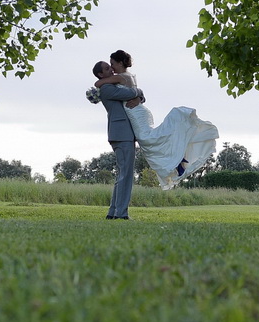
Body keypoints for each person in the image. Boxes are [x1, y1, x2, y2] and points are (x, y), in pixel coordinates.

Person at [93, 50, 219, 191]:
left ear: (120, 63)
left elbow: (98, 83)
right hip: (139, 110)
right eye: (108, 67)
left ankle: (177, 160)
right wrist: (139, 95)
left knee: (148, 140)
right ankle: (177, 161)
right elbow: (132, 90)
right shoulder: (129, 76)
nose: (111, 68)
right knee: (151, 140)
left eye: (112, 64)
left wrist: (99, 85)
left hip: (135, 112)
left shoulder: (120, 77)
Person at [91, 58, 145, 220]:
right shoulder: (107, 88)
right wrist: (139, 92)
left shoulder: (112, 85)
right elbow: (130, 93)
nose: (111, 70)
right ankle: (121, 213)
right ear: (100, 74)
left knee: (122, 174)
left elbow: (135, 97)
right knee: (126, 175)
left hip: (123, 133)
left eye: (110, 67)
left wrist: (139, 97)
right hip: (121, 134)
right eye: (107, 69)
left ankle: (113, 211)